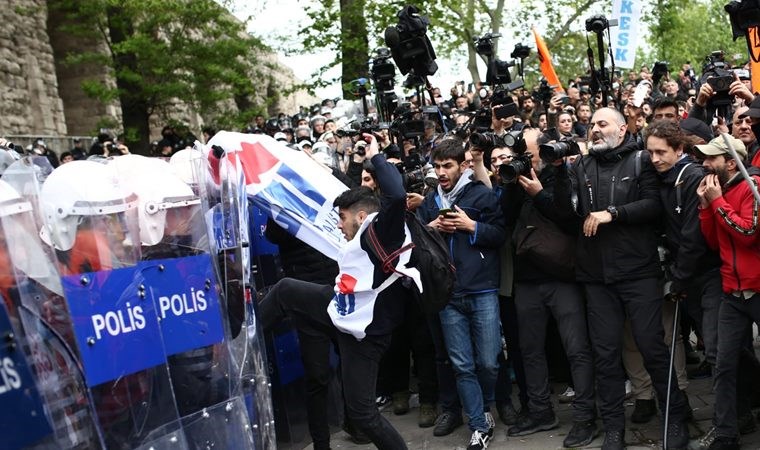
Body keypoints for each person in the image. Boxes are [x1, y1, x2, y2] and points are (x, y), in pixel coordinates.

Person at [258, 134, 416, 450]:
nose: (339, 225)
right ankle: (245, 340)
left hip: (365, 334)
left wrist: (375, 157)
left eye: (342, 219)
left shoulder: (382, 231)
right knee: (287, 290)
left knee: (364, 413)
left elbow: (396, 196)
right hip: (341, 310)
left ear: (361, 216)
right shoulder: (356, 236)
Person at [552, 107, 689, 450]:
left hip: (638, 272)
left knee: (651, 347)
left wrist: (613, 213)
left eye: (603, 124)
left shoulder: (642, 160)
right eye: (593, 124)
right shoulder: (580, 165)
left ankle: (674, 418)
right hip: (596, 277)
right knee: (606, 353)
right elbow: (566, 216)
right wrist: (557, 175)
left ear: (622, 128)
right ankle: (614, 428)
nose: (595, 130)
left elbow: (654, 206)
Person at [501, 128, 598, 448]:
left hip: (562, 277)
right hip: (527, 280)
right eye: (521, 153)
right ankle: (541, 411)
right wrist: (514, 182)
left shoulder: (563, 173)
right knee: (530, 350)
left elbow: (569, 219)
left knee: (577, 349)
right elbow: (506, 217)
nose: (526, 158)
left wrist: (539, 192)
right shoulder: (517, 175)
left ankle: (586, 416)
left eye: (529, 152)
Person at [416, 138, 506, 450]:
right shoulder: (429, 201)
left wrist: (472, 226)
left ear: (463, 165)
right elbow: (415, 245)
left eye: (447, 166)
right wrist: (431, 227)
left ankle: (487, 403)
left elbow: (499, 235)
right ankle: (479, 422)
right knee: (462, 365)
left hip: (482, 288)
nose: (441, 172)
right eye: (437, 166)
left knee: (489, 362)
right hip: (446, 294)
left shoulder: (482, 193)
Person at [696, 136, 760, 450]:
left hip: (758, 288)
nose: (705, 165)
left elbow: (748, 233)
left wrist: (717, 203)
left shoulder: (753, 187)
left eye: (712, 159)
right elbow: (712, 240)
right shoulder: (716, 191)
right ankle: (725, 433)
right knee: (723, 364)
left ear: (731, 163)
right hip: (732, 292)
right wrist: (707, 207)